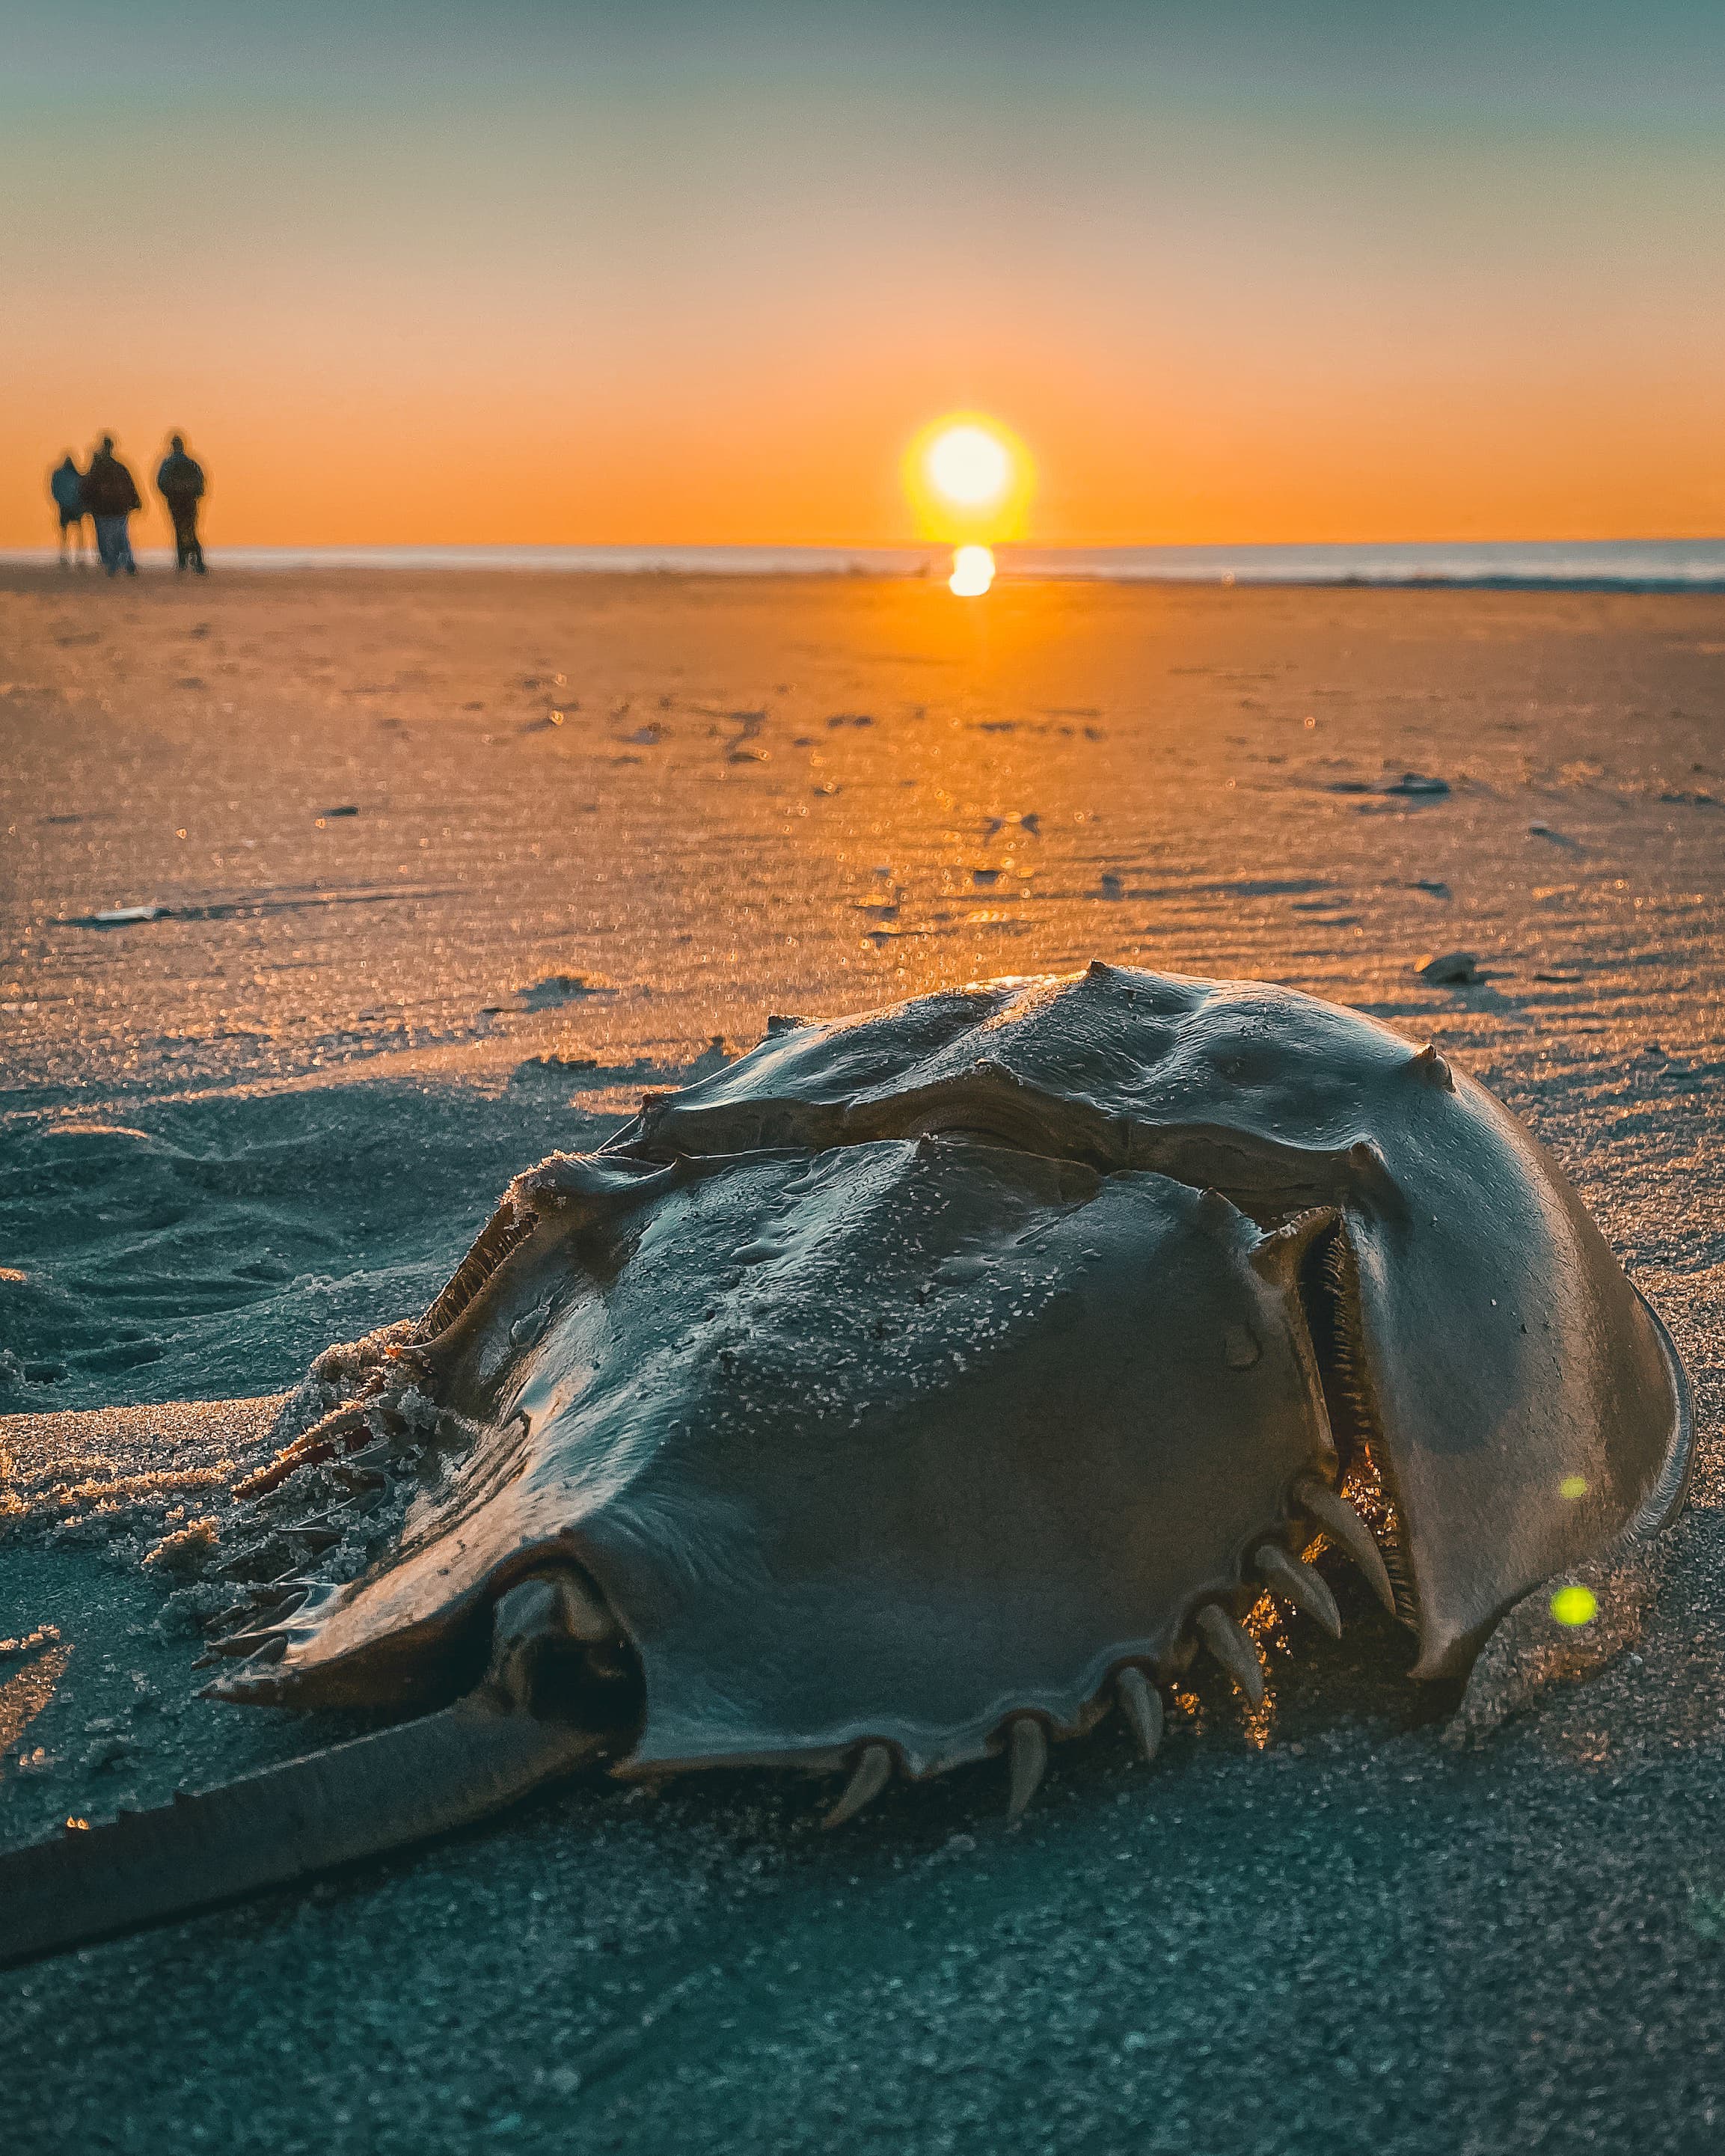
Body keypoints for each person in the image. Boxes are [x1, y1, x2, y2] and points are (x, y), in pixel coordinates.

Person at [82, 435, 141, 576]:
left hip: (103, 511)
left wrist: (86, 504)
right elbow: (129, 485)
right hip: (118, 509)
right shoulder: (119, 468)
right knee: (121, 537)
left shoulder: (98, 469)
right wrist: (135, 501)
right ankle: (127, 563)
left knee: (108, 539)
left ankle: (115, 565)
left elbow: (88, 488)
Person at [156, 434, 207, 573]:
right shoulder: (191, 463)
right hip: (189, 502)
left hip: (176, 502)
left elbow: (161, 482)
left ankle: (185, 561)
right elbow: (200, 483)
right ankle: (195, 560)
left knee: (181, 530)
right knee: (189, 529)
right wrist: (193, 493)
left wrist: (171, 494)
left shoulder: (169, 463)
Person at [49, 454, 89, 566]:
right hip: (75, 506)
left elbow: (54, 490)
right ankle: (79, 556)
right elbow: (82, 490)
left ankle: (64, 555)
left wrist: (60, 501)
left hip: (64, 507)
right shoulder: (76, 475)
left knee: (64, 532)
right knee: (78, 530)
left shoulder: (58, 475)